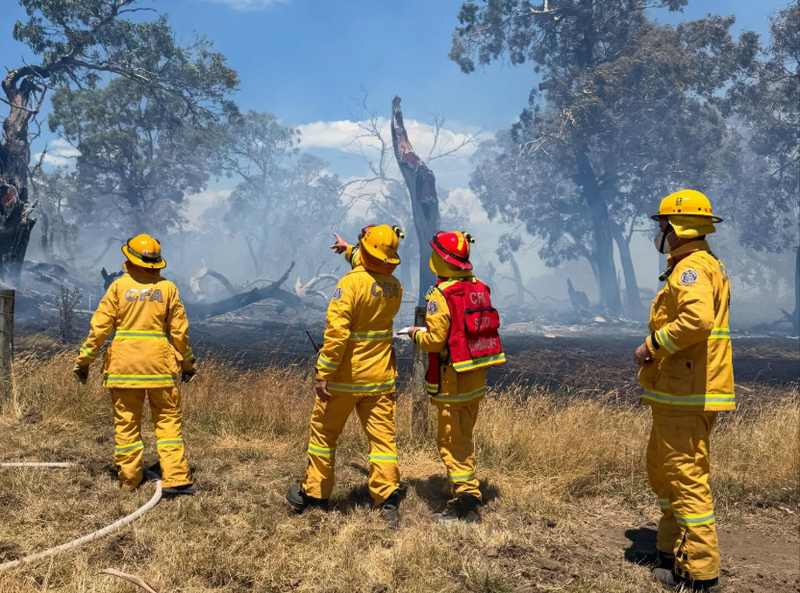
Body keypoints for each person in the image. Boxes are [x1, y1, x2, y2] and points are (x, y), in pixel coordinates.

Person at [634, 189, 734, 592]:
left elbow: (697, 321)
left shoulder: (691, 269)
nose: (658, 233)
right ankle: (670, 551)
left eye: (661, 225)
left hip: (686, 392)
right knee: (665, 472)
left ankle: (699, 573)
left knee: (684, 478)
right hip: (680, 391)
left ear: (676, 228)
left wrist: (652, 346)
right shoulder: (697, 264)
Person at [287, 224, 406, 526]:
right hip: (381, 379)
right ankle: (387, 497)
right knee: (382, 441)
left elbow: (337, 333)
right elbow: (372, 268)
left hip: (344, 380)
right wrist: (349, 250)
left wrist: (323, 372)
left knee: (323, 436)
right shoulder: (395, 287)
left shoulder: (349, 285)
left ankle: (315, 494)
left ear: (365, 249)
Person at [73, 235, 197, 496]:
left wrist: (84, 360)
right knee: (168, 423)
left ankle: (130, 479)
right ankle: (175, 478)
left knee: (126, 423)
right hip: (160, 369)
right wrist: (188, 364)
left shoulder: (118, 287)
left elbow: (100, 329)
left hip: (123, 369)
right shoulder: (168, 289)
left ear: (129, 258)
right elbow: (180, 333)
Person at [407, 231, 505, 523]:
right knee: (464, 436)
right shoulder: (479, 287)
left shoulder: (442, 295)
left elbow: (435, 341)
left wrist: (415, 334)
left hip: (452, 379)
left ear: (441, 259)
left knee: (452, 441)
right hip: (475, 377)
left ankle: (465, 502)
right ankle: (460, 486)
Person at [330, 225, 404, 270]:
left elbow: (359, 258)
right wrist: (346, 246)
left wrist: (346, 246)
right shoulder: (396, 284)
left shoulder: (354, 279)